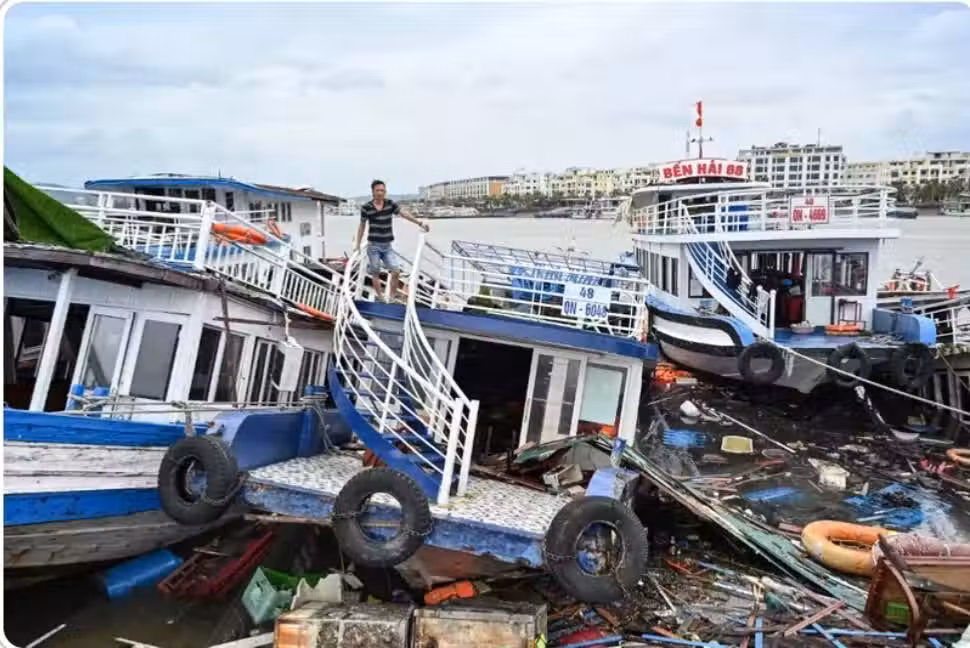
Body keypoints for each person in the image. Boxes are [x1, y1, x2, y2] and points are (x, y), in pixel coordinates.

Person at [355, 179, 429, 301]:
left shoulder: (390, 204)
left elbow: (404, 214)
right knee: (375, 272)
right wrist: (357, 244)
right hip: (373, 246)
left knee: (396, 271)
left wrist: (419, 223)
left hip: (387, 246)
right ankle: (380, 297)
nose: (380, 193)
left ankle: (392, 297)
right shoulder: (366, 207)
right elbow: (362, 226)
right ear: (373, 191)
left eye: (382, 190)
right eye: (378, 190)